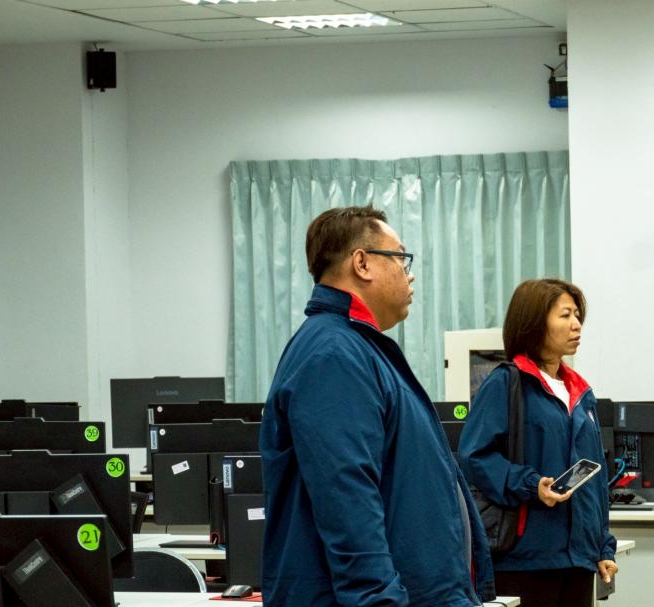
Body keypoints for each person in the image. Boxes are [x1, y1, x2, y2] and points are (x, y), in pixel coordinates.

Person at [260, 206, 494, 606]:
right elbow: (347, 497)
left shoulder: (357, 347)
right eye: (401, 258)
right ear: (362, 263)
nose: (409, 274)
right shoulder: (334, 354)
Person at [459, 279, 618, 607]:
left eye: (577, 316)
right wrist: (532, 485)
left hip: (578, 560)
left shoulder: (581, 393)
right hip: (527, 559)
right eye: (565, 315)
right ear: (534, 322)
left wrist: (603, 546)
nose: (576, 324)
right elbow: (475, 457)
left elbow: (595, 478)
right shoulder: (506, 383)